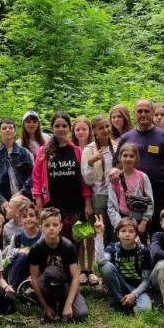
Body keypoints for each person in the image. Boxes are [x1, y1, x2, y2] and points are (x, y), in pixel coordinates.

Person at [111, 99, 164, 234]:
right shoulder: (126, 137)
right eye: (140, 111)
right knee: (134, 235)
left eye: (147, 111)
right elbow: (117, 165)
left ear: (153, 113)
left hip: (159, 193)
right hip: (132, 197)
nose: (143, 114)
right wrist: (113, 172)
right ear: (135, 114)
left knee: (160, 233)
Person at [32, 112, 93, 248]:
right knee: (54, 241)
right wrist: (38, 202)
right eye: (57, 126)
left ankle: (75, 268)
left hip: (75, 204)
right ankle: (54, 268)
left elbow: (83, 178)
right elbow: (36, 178)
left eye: (64, 126)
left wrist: (88, 202)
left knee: (76, 241)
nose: (61, 129)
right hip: (52, 204)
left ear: (69, 128)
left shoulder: (76, 150)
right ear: (52, 128)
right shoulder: (44, 151)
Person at [28, 207, 88, 322]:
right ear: (41, 228)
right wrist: (45, 307)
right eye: (47, 225)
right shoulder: (36, 249)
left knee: (81, 315)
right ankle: (48, 305)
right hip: (45, 284)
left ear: (60, 226)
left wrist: (68, 304)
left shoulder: (68, 247)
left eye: (55, 225)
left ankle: (65, 303)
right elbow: (34, 279)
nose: (51, 228)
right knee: (51, 272)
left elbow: (76, 277)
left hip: (65, 285)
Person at [96, 217, 153, 313]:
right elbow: (101, 261)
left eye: (131, 231)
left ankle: (127, 305)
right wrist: (99, 235)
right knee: (106, 266)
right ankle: (119, 301)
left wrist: (134, 295)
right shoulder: (113, 248)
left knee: (145, 310)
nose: (127, 234)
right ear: (118, 234)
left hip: (137, 288)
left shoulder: (144, 251)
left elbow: (146, 280)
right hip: (119, 285)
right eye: (123, 231)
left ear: (136, 235)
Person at [0, 118, 35, 216]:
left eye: (10, 128)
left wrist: (21, 194)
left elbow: (33, 175)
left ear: (15, 131)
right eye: (4, 128)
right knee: (2, 229)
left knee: (24, 229)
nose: (7, 130)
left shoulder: (24, 153)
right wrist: (1, 200)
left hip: (24, 200)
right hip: (2, 203)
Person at [82, 114, 118, 246]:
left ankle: (116, 255)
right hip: (99, 195)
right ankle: (103, 259)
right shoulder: (89, 150)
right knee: (102, 228)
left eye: (107, 126)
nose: (105, 130)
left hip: (115, 193)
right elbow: (88, 180)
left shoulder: (116, 146)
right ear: (95, 131)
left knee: (116, 227)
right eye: (101, 128)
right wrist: (91, 163)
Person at [71, 116, 98, 284]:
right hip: (76, 198)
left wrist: (88, 201)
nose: (81, 132)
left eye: (84, 129)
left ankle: (91, 268)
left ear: (90, 131)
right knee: (80, 233)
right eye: (77, 129)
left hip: (92, 196)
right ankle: (82, 269)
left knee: (91, 235)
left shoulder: (93, 149)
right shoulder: (72, 150)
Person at [107, 143, 155, 236]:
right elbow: (111, 205)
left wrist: (144, 222)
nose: (128, 159)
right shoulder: (115, 178)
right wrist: (119, 225)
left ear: (136, 158)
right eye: (125, 155)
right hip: (122, 220)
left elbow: (150, 202)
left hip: (139, 221)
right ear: (120, 157)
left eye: (131, 156)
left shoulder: (142, 177)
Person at [6, 202, 42, 289]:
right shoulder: (17, 237)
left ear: (37, 218)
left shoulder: (42, 236)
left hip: (38, 269)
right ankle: (12, 288)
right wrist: (19, 251)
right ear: (20, 220)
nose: (28, 219)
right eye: (24, 216)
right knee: (22, 256)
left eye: (31, 215)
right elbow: (8, 258)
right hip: (20, 270)